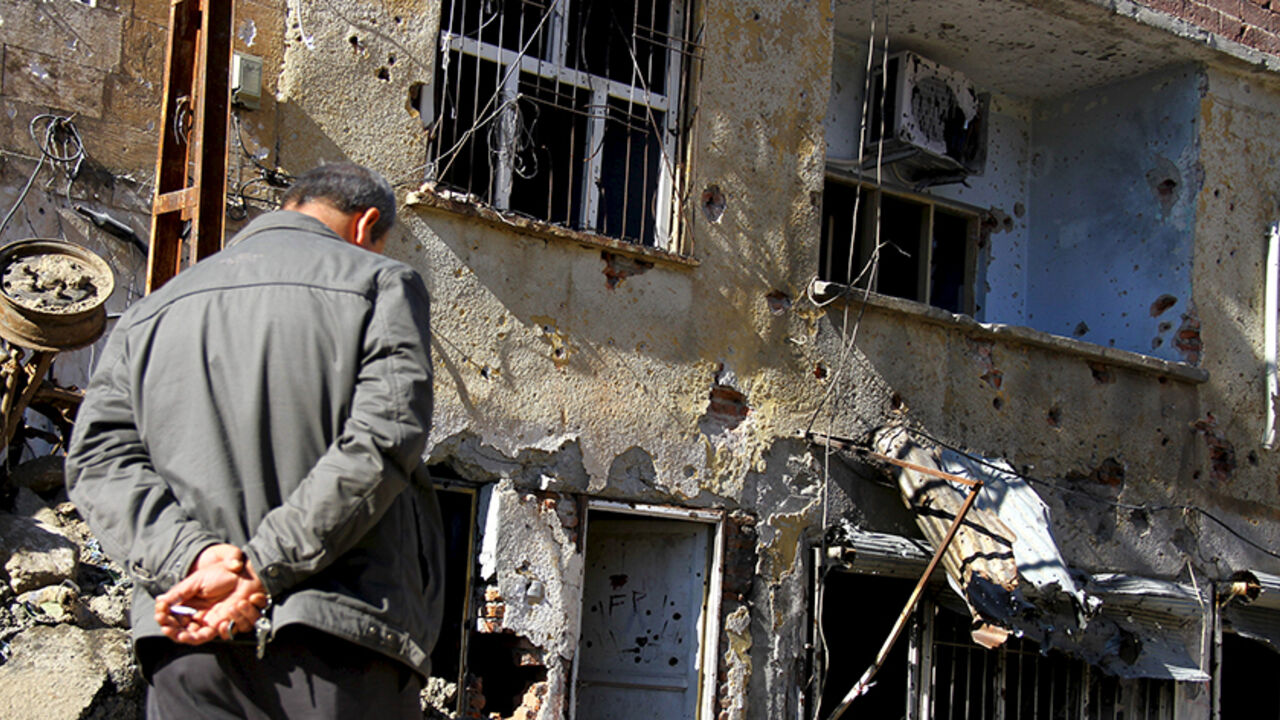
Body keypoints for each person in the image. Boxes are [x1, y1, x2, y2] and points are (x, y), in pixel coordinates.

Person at [65, 163, 444, 719]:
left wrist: (194, 560)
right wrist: (260, 570)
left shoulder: (151, 311)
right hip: (338, 640)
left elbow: (97, 461)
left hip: (188, 641)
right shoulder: (380, 283)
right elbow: (382, 440)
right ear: (367, 226)